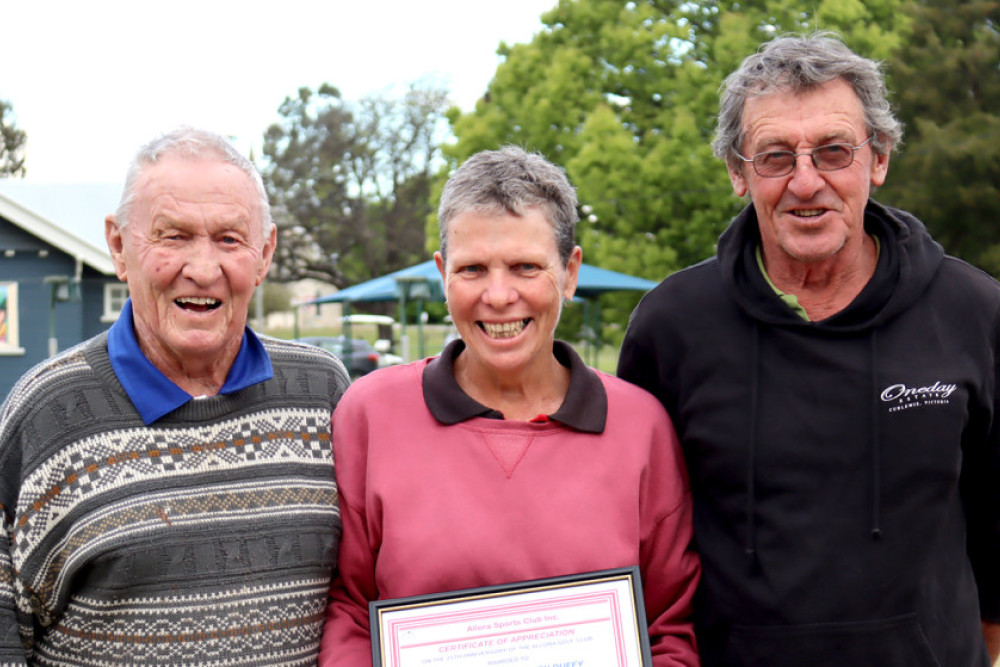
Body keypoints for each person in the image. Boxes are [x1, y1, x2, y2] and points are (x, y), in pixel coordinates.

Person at [617, 32, 1000, 666]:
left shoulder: (974, 311)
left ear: (878, 159)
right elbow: (642, 534)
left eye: (833, 151)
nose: (805, 182)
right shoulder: (672, 326)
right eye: (774, 156)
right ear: (738, 173)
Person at [319, 146, 700, 666]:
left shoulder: (641, 428)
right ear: (442, 273)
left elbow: (668, 630)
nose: (498, 296)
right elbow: (352, 613)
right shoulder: (370, 415)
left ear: (569, 273)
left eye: (525, 267)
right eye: (473, 269)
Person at [0, 128, 350, 666]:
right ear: (119, 247)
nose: (203, 269)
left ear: (265, 253)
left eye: (230, 240)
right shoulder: (46, 412)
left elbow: (362, 594)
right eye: (173, 236)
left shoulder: (324, 394)